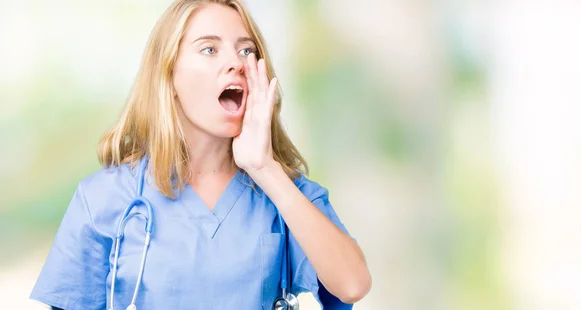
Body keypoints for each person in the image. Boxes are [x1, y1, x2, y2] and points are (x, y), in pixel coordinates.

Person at [29, 0, 371, 309]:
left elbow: (352, 285)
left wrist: (264, 169)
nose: (235, 63)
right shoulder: (104, 198)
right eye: (209, 49)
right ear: (168, 74)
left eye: (246, 51)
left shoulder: (285, 192)